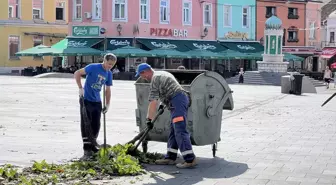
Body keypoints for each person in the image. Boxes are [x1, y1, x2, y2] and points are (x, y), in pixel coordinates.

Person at [135, 63, 197, 169]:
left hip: (177, 101)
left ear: (145, 72)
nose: (143, 78)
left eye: (141, 75)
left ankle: (190, 159)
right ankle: (170, 157)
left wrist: (149, 120)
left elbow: (153, 102)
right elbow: (168, 89)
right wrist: (163, 104)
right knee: (173, 129)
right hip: (177, 100)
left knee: (180, 130)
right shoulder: (161, 74)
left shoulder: (155, 79)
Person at [74, 53, 117, 160]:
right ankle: (86, 149)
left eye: (112, 65)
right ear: (104, 60)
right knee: (86, 124)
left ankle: (93, 146)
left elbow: (108, 89)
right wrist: (80, 88)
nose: (109, 66)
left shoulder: (109, 74)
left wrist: (107, 104)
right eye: (108, 64)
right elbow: (77, 73)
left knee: (96, 124)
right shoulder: (93, 67)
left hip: (97, 101)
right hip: (86, 99)